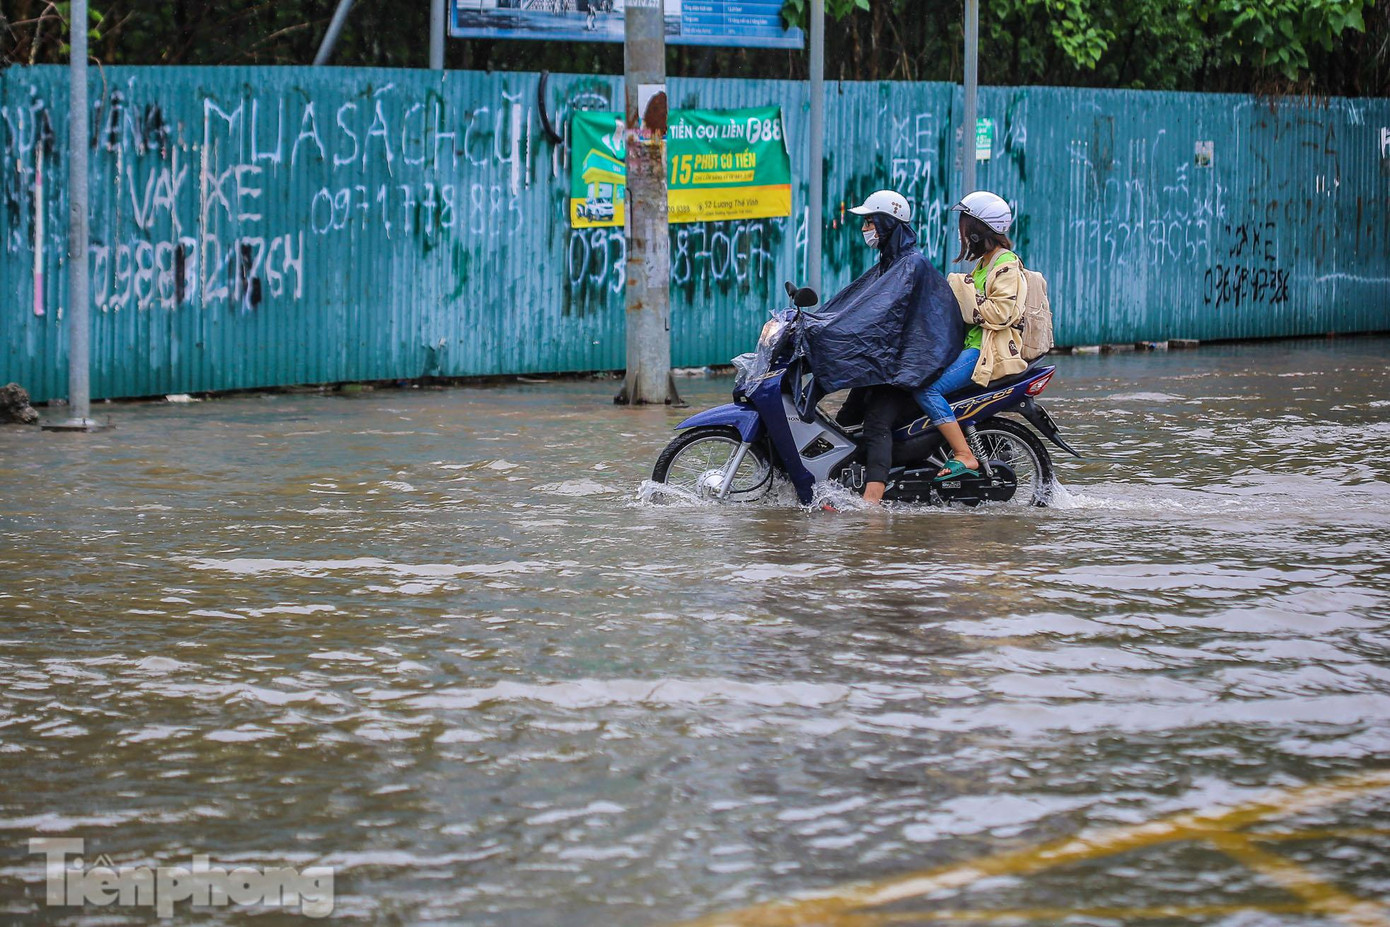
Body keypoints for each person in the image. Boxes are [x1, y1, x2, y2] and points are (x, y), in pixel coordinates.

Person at [800, 190, 964, 505]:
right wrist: (815, 324)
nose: (866, 228)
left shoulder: (910, 264)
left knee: (876, 421)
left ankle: (871, 504)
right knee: (847, 416)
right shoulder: (890, 263)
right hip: (891, 361)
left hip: (911, 364)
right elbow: (854, 305)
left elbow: (875, 315)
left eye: (870, 221)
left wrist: (834, 332)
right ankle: (836, 483)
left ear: (887, 224)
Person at [913, 190, 1028, 481]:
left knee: (926, 389)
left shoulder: (1006, 264)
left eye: (966, 225)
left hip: (984, 351)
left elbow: (1001, 313)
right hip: (969, 345)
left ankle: (965, 454)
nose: (961, 232)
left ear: (979, 230)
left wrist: (963, 291)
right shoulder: (983, 263)